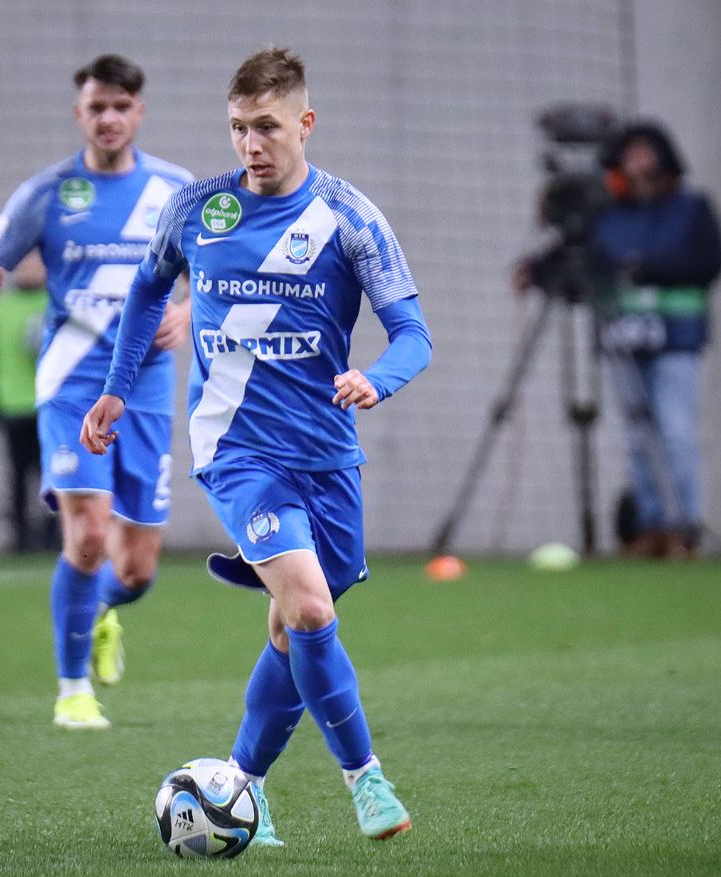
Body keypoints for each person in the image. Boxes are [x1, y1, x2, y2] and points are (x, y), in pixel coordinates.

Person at [81, 47, 431, 843]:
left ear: (305, 123)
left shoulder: (349, 217)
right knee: (307, 606)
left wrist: (376, 378)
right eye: (238, 127)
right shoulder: (198, 209)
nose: (250, 144)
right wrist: (116, 386)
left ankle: (244, 784)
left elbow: (413, 332)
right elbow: (146, 290)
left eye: (267, 127)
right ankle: (368, 782)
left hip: (328, 457)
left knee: (290, 628)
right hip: (236, 451)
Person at [0, 54, 194, 731]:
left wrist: (189, 312)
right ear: (79, 114)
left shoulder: (176, 192)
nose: (109, 118)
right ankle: (72, 690)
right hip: (71, 383)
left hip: (146, 387)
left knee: (137, 569)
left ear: (139, 112)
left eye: (120, 106)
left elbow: (215, 278)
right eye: (97, 107)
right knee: (88, 536)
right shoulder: (48, 194)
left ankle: (103, 611)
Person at [594, 121, 721, 558]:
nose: (637, 161)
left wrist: (647, 268)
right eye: (629, 153)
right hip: (625, 339)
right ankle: (650, 526)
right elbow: (591, 264)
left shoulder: (691, 209)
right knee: (637, 436)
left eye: (644, 151)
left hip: (676, 337)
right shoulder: (610, 214)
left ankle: (683, 527)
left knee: (676, 432)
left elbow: (710, 263)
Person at [0, 249, 59, 552]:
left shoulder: (57, 302)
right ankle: (21, 535)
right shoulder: (2, 308)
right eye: (25, 264)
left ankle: (53, 534)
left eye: (36, 264)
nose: (30, 270)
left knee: (52, 472)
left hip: (49, 404)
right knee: (17, 475)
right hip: (13, 406)